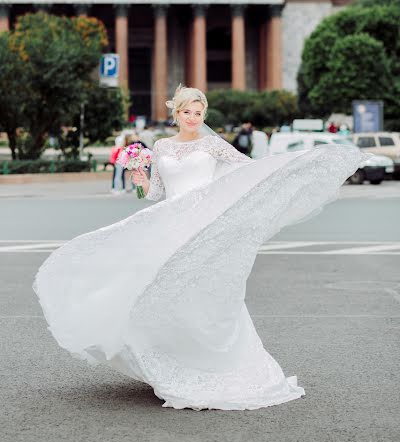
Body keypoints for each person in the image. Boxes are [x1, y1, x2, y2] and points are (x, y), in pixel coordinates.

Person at [33, 85, 367, 411]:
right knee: (153, 289)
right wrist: (141, 180)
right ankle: (169, 357)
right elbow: (154, 195)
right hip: (169, 226)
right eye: (187, 112)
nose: (193, 117)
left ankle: (212, 364)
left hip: (202, 226)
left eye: (199, 112)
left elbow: (249, 171)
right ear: (176, 113)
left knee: (206, 294)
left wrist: (293, 167)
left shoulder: (214, 146)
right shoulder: (161, 148)